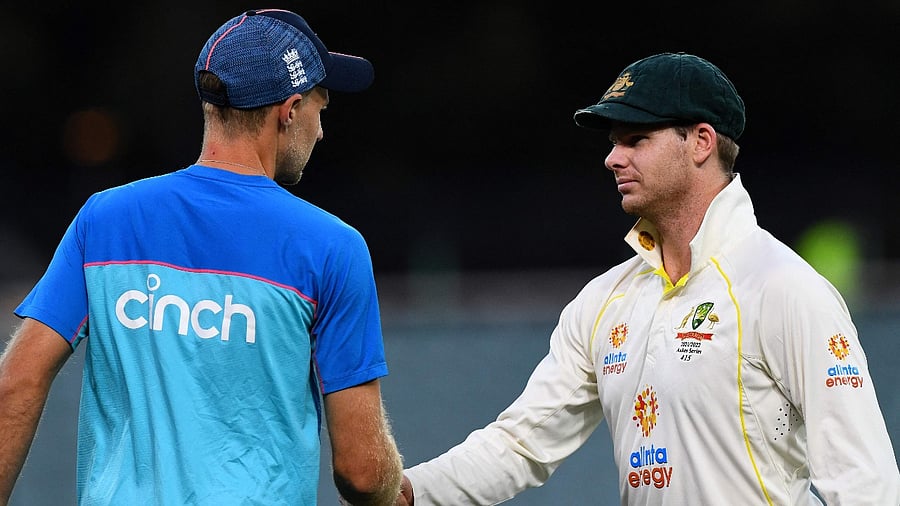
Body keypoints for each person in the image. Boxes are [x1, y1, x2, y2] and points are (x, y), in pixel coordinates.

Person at [396, 53, 900, 505]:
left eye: (636, 139)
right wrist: (403, 494)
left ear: (701, 142)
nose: (613, 158)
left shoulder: (785, 288)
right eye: (614, 143)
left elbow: (865, 484)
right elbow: (519, 445)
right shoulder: (604, 301)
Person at [0, 8, 404, 505]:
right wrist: (398, 491)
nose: (321, 131)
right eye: (322, 107)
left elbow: (17, 380)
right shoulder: (332, 248)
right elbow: (362, 471)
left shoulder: (105, 219)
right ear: (290, 110)